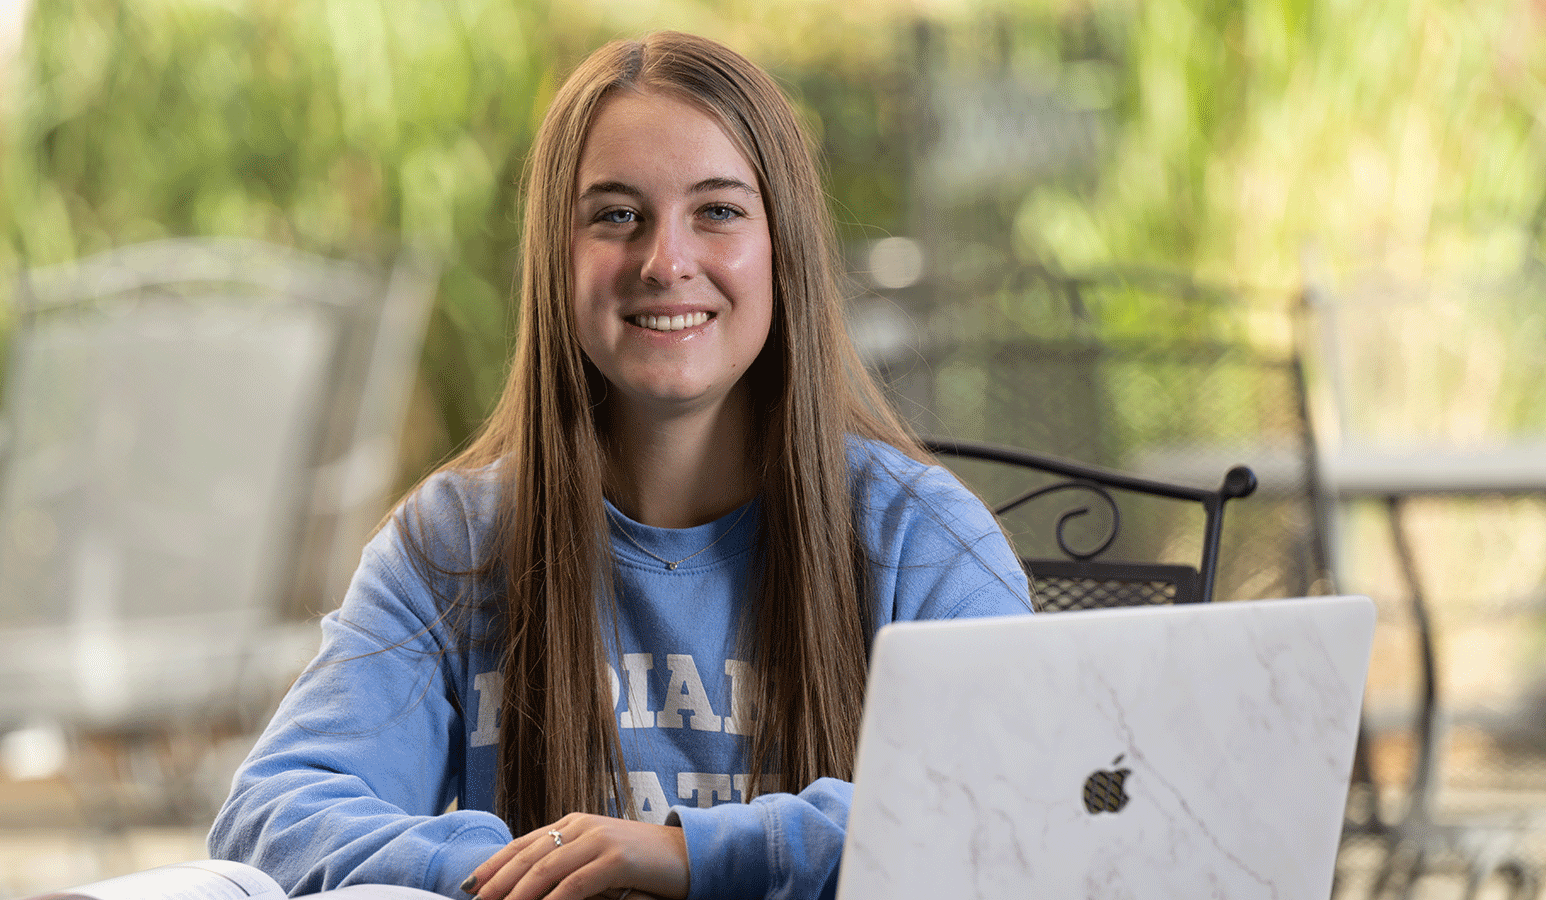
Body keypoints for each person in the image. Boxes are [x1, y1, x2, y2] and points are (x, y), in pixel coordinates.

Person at [208, 30, 1031, 900]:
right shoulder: (454, 545)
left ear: (783, 244)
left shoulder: (920, 535)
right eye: (615, 215)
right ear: (555, 260)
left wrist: (684, 858)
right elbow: (273, 814)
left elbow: (1018, 800)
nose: (665, 261)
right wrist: (536, 871)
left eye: (717, 210)